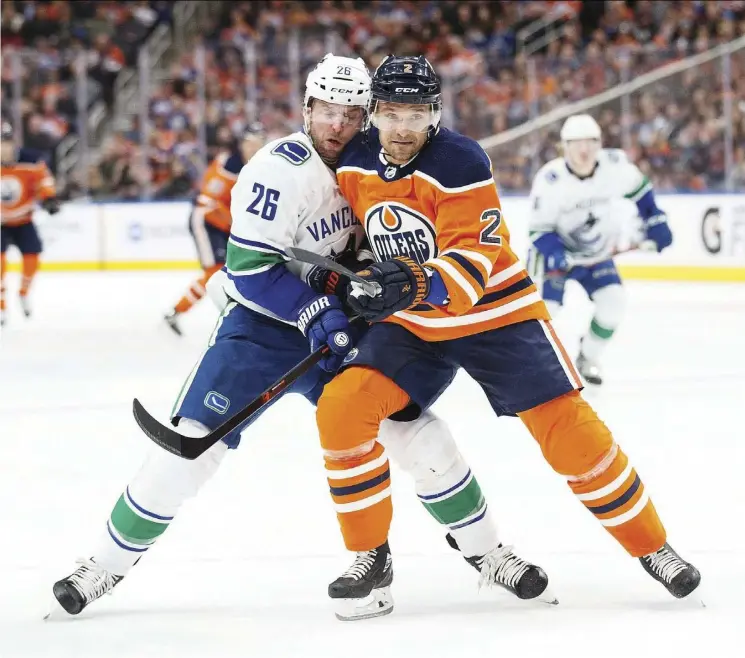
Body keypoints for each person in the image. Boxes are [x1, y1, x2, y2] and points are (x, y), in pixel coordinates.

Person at [48, 54, 551, 619]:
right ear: (307, 108)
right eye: (327, 110)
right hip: (264, 330)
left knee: (419, 436)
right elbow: (247, 269)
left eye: (350, 112)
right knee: (189, 448)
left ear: (369, 115)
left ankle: (486, 554)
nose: (338, 123)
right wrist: (314, 309)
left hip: (343, 327)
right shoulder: (278, 168)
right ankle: (101, 567)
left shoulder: (374, 160)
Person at [314, 55, 700, 620]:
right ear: (373, 112)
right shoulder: (353, 161)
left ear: (435, 114)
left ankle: (653, 548)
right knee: (342, 408)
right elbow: (356, 236)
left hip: (498, 314)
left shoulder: (459, 159)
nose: (402, 127)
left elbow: (473, 260)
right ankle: (370, 561)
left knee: (569, 434)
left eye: (416, 114)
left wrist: (410, 280)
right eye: (392, 113)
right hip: (415, 322)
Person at [526, 114, 673, 385]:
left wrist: (655, 219)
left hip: (596, 256)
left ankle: (588, 357)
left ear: (600, 144)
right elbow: (538, 231)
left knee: (614, 302)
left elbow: (642, 194)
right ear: (564, 147)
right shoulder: (551, 179)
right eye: (576, 143)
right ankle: (528, 366)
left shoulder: (614, 166)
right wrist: (556, 253)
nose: (584, 150)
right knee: (545, 310)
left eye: (591, 142)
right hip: (555, 255)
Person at [164, 125, 266, 336]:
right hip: (206, 221)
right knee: (215, 271)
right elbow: (210, 201)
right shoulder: (232, 164)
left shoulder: (251, 164)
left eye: (258, 143)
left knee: (229, 270)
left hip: (219, 222)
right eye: (251, 143)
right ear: (243, 144)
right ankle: (178, 311)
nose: (255, 148)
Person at [0, 121, 60, 326]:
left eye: (6, 143)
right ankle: (0, 305)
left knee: (32, 257)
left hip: (23, 219)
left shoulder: (30, 160)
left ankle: (24, 292)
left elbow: (44, 180)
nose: (3, 148)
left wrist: (49, 198)